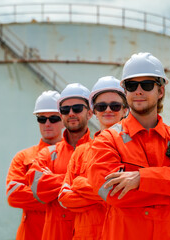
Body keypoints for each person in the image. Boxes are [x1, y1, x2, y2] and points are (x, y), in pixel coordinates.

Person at [88, 52, 170, 239]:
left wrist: (140, 179)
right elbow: (111, 192)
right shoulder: (107, 140)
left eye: (147, 85)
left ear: (160, 91)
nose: (138, 91)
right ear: (125, 92)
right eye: (131, 85)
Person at [58, 76, 128, 239]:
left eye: (115, 105)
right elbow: (64, 198)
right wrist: (104, 194)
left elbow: (125, 194)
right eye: (101, 106)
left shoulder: (133, 148)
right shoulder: (81, 151)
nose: (108, 110)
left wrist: (80, 183)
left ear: (125, 110)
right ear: (94, 111)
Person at [27, 83, 93, 240]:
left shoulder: (99, 149)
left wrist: (56, 182)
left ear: (90, 113)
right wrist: (78, 181)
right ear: (62, 115)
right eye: (65, 110)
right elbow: (38, 188)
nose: (71, 113)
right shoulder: (48, 154)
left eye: (77, 108)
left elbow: (101, 189)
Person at [6, 90, 64, 240]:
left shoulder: (77, 154)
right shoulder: (24, 157)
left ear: (64, 118)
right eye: (41, 119)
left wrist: (39, 192)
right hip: (31, 235)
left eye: (53, 118)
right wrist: (62, 196)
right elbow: (14, 195)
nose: (47, 123)